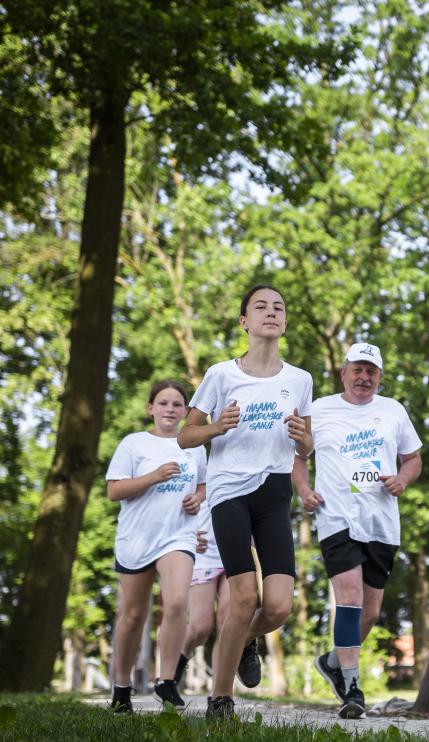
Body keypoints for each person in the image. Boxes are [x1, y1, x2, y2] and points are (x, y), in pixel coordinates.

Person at [179, 284, 313, 721]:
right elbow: (186, 435)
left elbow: (307, 448)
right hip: (229, 492)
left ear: (285, 323)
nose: (271, 312)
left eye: (279, 307)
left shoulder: (300, 380)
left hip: (274, 493)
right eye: (261, 307)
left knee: (276, 606)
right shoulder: (221, 374)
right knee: (241, 597)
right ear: (245, 322)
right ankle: (221, 700)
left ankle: (242, 641)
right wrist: (216, 428)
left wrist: (303, 440)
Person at [296, 342, 422, 719]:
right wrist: (303, 490)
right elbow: (298, 459)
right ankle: (352, 689)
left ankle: (334, 661)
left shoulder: (393, 411)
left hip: (381, 522)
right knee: (348, 597)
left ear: (379, 377)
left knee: (370, 612)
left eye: (371, 371)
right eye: (357, 370)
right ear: (344, 373)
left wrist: (401, 479)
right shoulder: (318, 410)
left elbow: (413, 459)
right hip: (336, 516)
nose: (364, 377)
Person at [106, 380, 207, 712]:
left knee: (178, 602)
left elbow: (205, 485)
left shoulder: (194, 446)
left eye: (177, 404)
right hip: (137, 538)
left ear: (185, 411)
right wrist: (153, 476)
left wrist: (197, 498)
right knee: (133, 616)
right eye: (163, 403)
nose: (170, 410)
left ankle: (165, 682)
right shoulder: (134, 444)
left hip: (177, 535)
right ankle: (122, 688)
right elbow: (115, 491)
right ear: (151, 408)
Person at [174, 496, 229, 693]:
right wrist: (186, 535)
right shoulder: (198, 468)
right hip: (203, 556)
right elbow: (171, 504)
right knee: (200, 628)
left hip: (234, 552)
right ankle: (178, 659)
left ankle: (219, 693)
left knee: (228, 624)